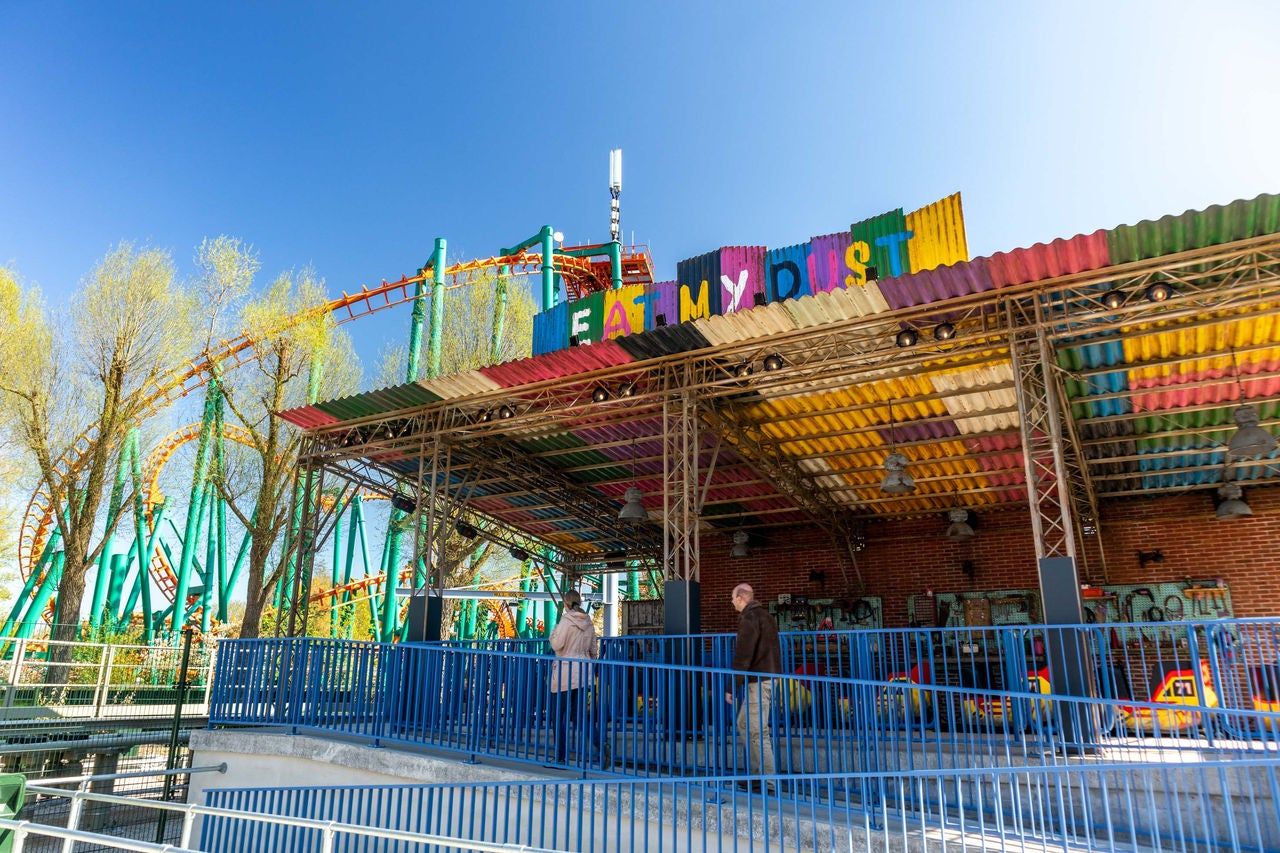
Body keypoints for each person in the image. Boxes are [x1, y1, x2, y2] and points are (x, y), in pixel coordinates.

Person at [725, 583, 781, 793]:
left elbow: (743, 655)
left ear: (741, 597)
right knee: (744, 724)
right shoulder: (766, 616)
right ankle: (757, 776)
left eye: (732, 598)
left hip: (758, 681)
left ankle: (769, 782)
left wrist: (731, 686)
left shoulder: (749, 619)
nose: (732, 603)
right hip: (766, 678)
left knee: (757, 732)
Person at [549, 590, 607, 766]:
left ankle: (560, 757)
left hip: (565, 673)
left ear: (565, 603)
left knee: (557, 716)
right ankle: (600, 744)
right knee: (579, 717)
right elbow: (593, 651)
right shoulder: (588, 622)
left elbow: (557, 644)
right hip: (584, 672)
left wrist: (554, 632)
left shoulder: (566, 621)